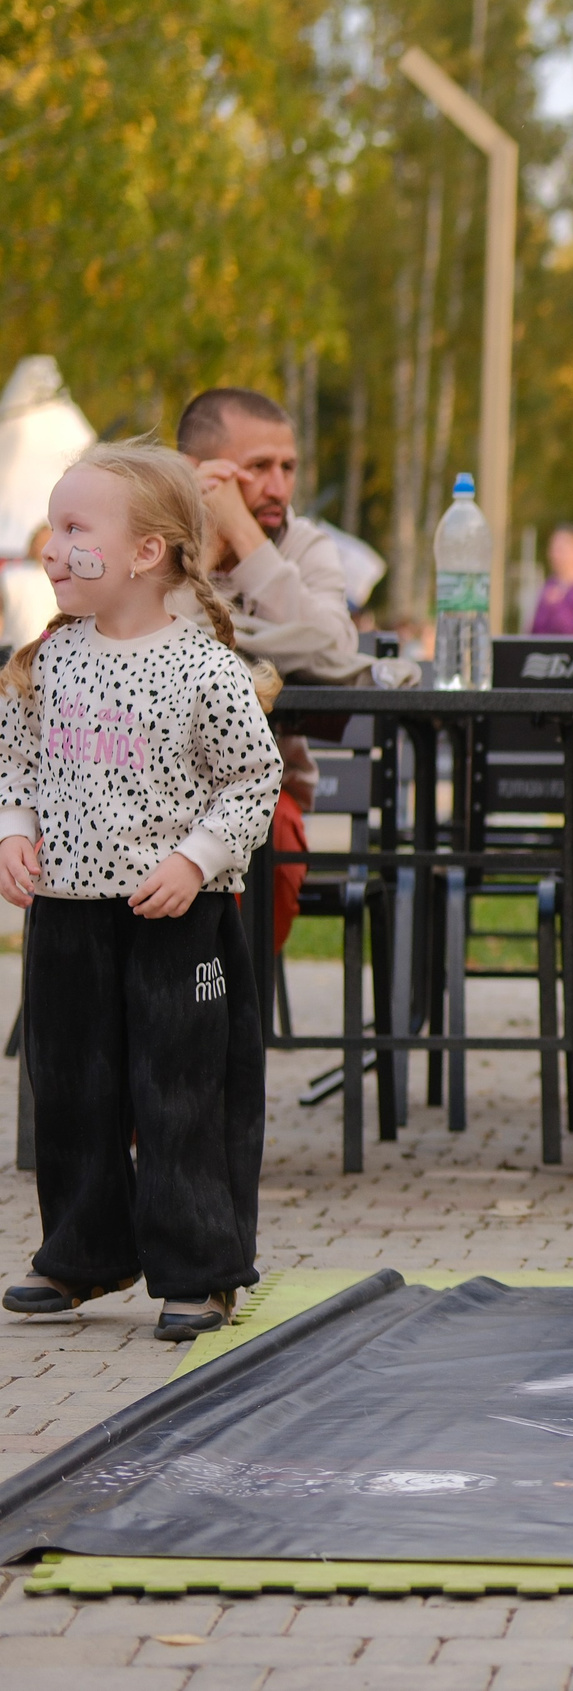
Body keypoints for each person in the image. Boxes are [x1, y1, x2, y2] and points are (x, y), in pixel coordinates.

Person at [0, 442, 283, 1339]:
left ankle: (200, 1269)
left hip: (178, 921)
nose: (51, 548)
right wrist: (13, 829)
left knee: (182, 1093)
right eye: (51, 527)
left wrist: (196, 859)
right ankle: (82, 1254)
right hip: (67, 918)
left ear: (146, 552)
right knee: (71, 1089)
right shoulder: (47, 661)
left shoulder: (204, 669)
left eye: (74, 529)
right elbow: (15, 761)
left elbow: (253, 779)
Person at [173, 388, 361, 678]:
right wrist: (206, 550)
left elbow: (338, 653)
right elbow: (139, 647)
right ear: (194, 471)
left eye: (287, 467)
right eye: (259, 466)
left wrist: (244, 534)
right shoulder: (152, 543)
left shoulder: (305, 545)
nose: (278, 489)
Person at [529, 524, 573, 635]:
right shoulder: (549, 586)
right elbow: (535, 629)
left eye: (563, 548)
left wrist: (557, 607)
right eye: (554, 548)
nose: (556, 554)